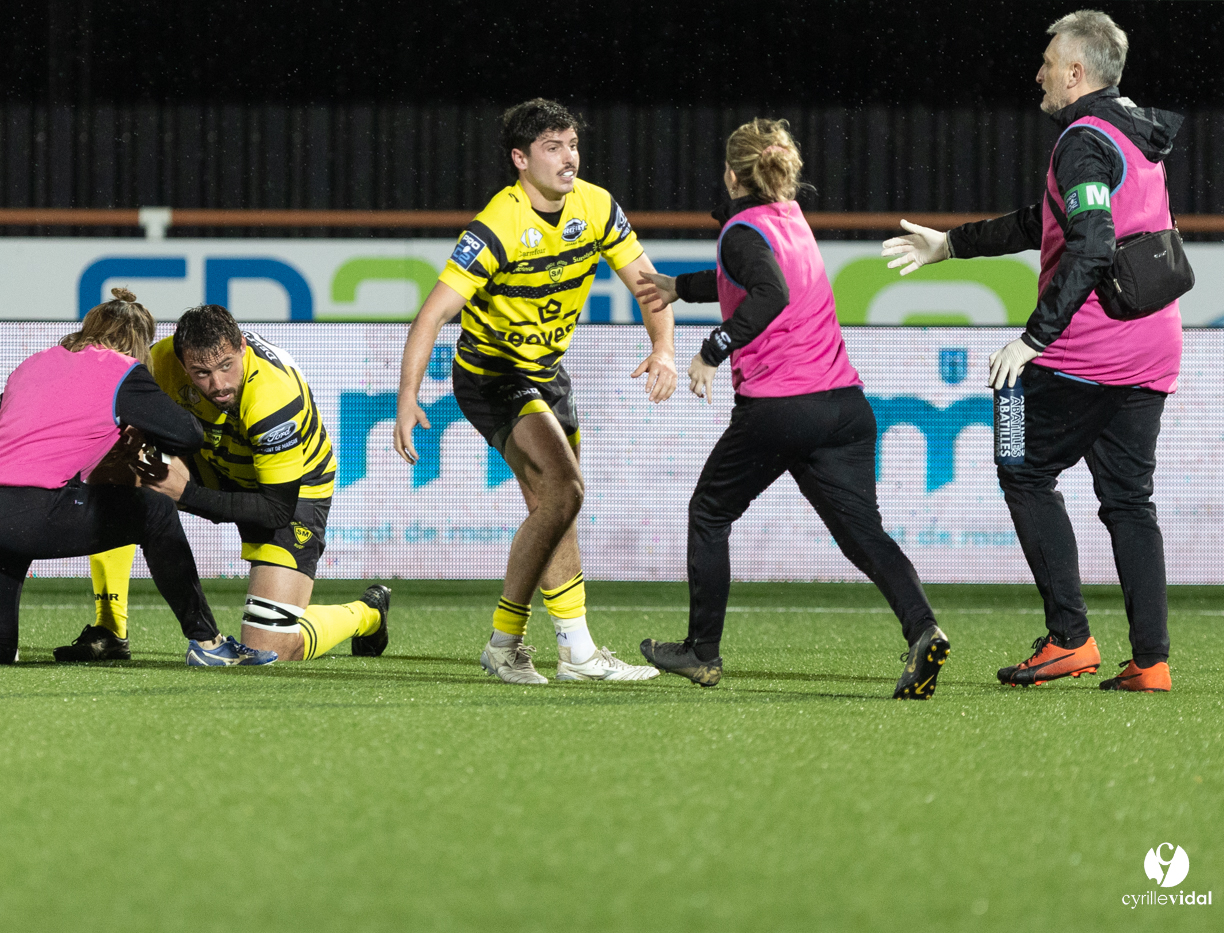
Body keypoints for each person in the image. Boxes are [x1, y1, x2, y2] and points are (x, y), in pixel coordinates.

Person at [882, 9, 1180, 693]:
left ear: (1076, 72)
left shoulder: (1080, 140)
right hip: (1154, 349)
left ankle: (1069, 638)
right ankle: (1152, 659)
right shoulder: (1131, 132)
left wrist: (1033, 338)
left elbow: (1094, 243)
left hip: (1087, 352)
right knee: (1130, 500)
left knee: (1019, 464)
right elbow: (1043, 221)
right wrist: (949, 244)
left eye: (1048, 61)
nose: (1038, 72)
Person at [636, 118, 952, 699]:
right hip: (845, 408)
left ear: (732, 174)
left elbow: (768, 293)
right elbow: (753, 277)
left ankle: (702, 653)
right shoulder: (790, 220)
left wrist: (711, 349)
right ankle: (923, 629)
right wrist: (682, 287)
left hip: (781, 408)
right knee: (864, 535)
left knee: (709, 511)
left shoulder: (739, 229)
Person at [394, 98, 675, 685]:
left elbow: (650, 287)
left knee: (557, 507)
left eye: (572, 144)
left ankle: (574, 652)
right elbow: (432, 316)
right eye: (553, 148)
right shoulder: (499, 223)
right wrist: (407, 396)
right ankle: (505, 643)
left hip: (547, 373)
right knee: (565, 488)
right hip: (492, 375)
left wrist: (664, 348)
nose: (569, 158)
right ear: (520, 159)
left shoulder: (597, 206)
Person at [0, 289, 275, 667]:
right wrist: (138, 430)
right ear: (138, 341)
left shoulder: (32, 363)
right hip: (30, 511)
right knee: (155, 511)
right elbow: (189, 434)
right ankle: (207, 643)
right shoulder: (123, 370)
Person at [69, 304, 390, 665]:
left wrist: (185, 494)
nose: (218, 385)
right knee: (115, 465)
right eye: (201, 373)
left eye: (226, 366)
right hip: (213, 459)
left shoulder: (272, 397)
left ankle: (367, 613)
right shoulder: (160, 364)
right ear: (181, 360)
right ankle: (110, 629)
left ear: (241, 346)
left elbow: (273, 510)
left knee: (273, 650)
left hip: (289, 490)